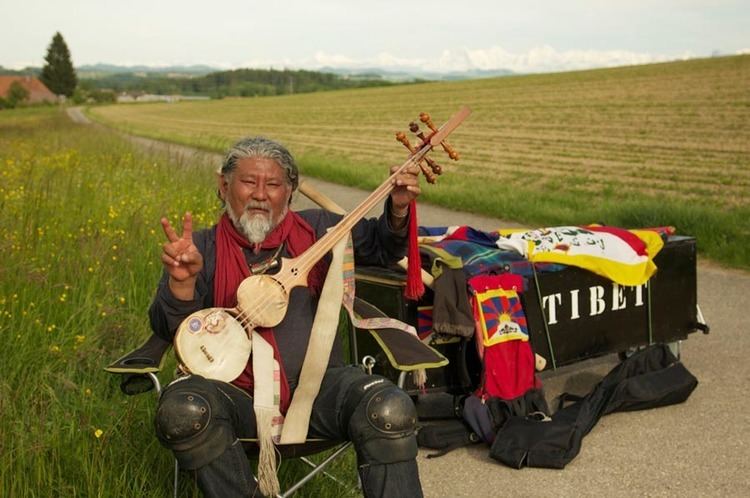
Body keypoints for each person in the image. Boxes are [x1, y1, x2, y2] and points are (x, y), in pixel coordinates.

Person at [150, 136, 424, 497]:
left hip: (320, 391)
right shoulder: (200, 248)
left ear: (290, 191)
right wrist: (182, 285)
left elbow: (381, 246)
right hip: (234, 398)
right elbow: (171, 330)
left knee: (388, 408)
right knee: (183, 411)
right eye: (248, 182)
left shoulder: (320, 231)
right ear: (224, 186)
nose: (260, 194)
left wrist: (399, 209)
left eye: (274, 184)